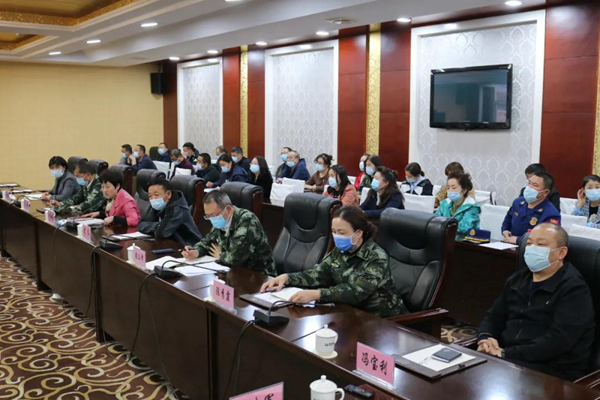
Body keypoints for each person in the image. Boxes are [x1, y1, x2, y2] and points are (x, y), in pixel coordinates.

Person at [477, 223, 594, 381]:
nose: (532, 249)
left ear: (561, 252)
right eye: (529, 243)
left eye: (541, 244)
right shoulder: (518, 279)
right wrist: (485, 338)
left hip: (550, 371)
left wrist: (505, 354)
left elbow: (558, 341)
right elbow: (494, 316)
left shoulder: (574, 289)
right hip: (507, 359)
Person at [261, 206, 407, 318]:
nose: (337, 237)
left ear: (359, 233)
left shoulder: (377, 257)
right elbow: (318, 274)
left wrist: (317, 294)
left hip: (382, 319)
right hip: (347, 312)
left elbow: (356, 291)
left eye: (342, 233)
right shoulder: (340, 250)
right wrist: (287, 278)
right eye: (334, 231)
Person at [182, 191, 276, 276]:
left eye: (213, 215)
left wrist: (220, 255)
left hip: (259, 276)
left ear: (228, 210)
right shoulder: (222, 220)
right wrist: (196, 251)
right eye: (208, 216)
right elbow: (208, 241)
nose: (212, 219)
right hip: (235, 273)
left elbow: (234, 258)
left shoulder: (247, 220)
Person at [138, 178, 202, 246]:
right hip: (168, 243)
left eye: (156, 195)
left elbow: (161, 232)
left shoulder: (177, 209)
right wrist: (159, 225)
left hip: (188, 247)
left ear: (168, 194)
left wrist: (158, 226)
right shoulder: (159, 205)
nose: (153, 199)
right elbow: (141, 224)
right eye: (150, 196)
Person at [502, 172, 561, 245]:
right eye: (529, 183)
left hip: (533, 248)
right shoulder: (518, 202)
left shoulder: (551, 213)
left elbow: (547, 238)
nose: (529, 187)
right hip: (509, 245)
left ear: (545, 192)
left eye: (535, 185)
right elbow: (508, 219)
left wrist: (518, 240)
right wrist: (505, 230)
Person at [435, 172, 480, 237]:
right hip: (443, 238)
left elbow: (464, 228)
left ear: (464, 190)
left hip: (463, 241)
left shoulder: (472, 207)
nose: (450, 191)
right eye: (448, 188)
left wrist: (443, 226)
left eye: (454, 188)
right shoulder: (445, 203)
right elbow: (435, 221)